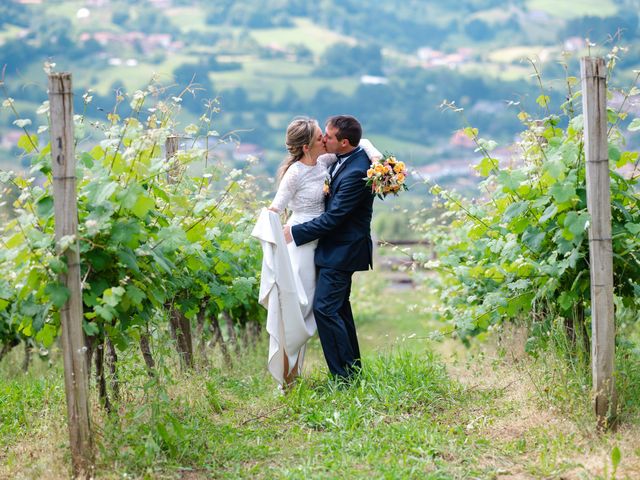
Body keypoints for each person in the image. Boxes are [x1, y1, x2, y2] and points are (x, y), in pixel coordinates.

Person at [270, 116, 380, 386]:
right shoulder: (333, 159)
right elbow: (361, 141)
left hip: (340, 249)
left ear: (343, 142)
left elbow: (335, 218)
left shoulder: (354, 171)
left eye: (327, 136)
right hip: (325, 247)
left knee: (324, 309)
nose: (324, 139)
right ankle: (350, 374)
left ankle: (343, 378)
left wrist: (293, 233)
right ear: (307, 146)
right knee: (337, 309)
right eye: (321, 136)